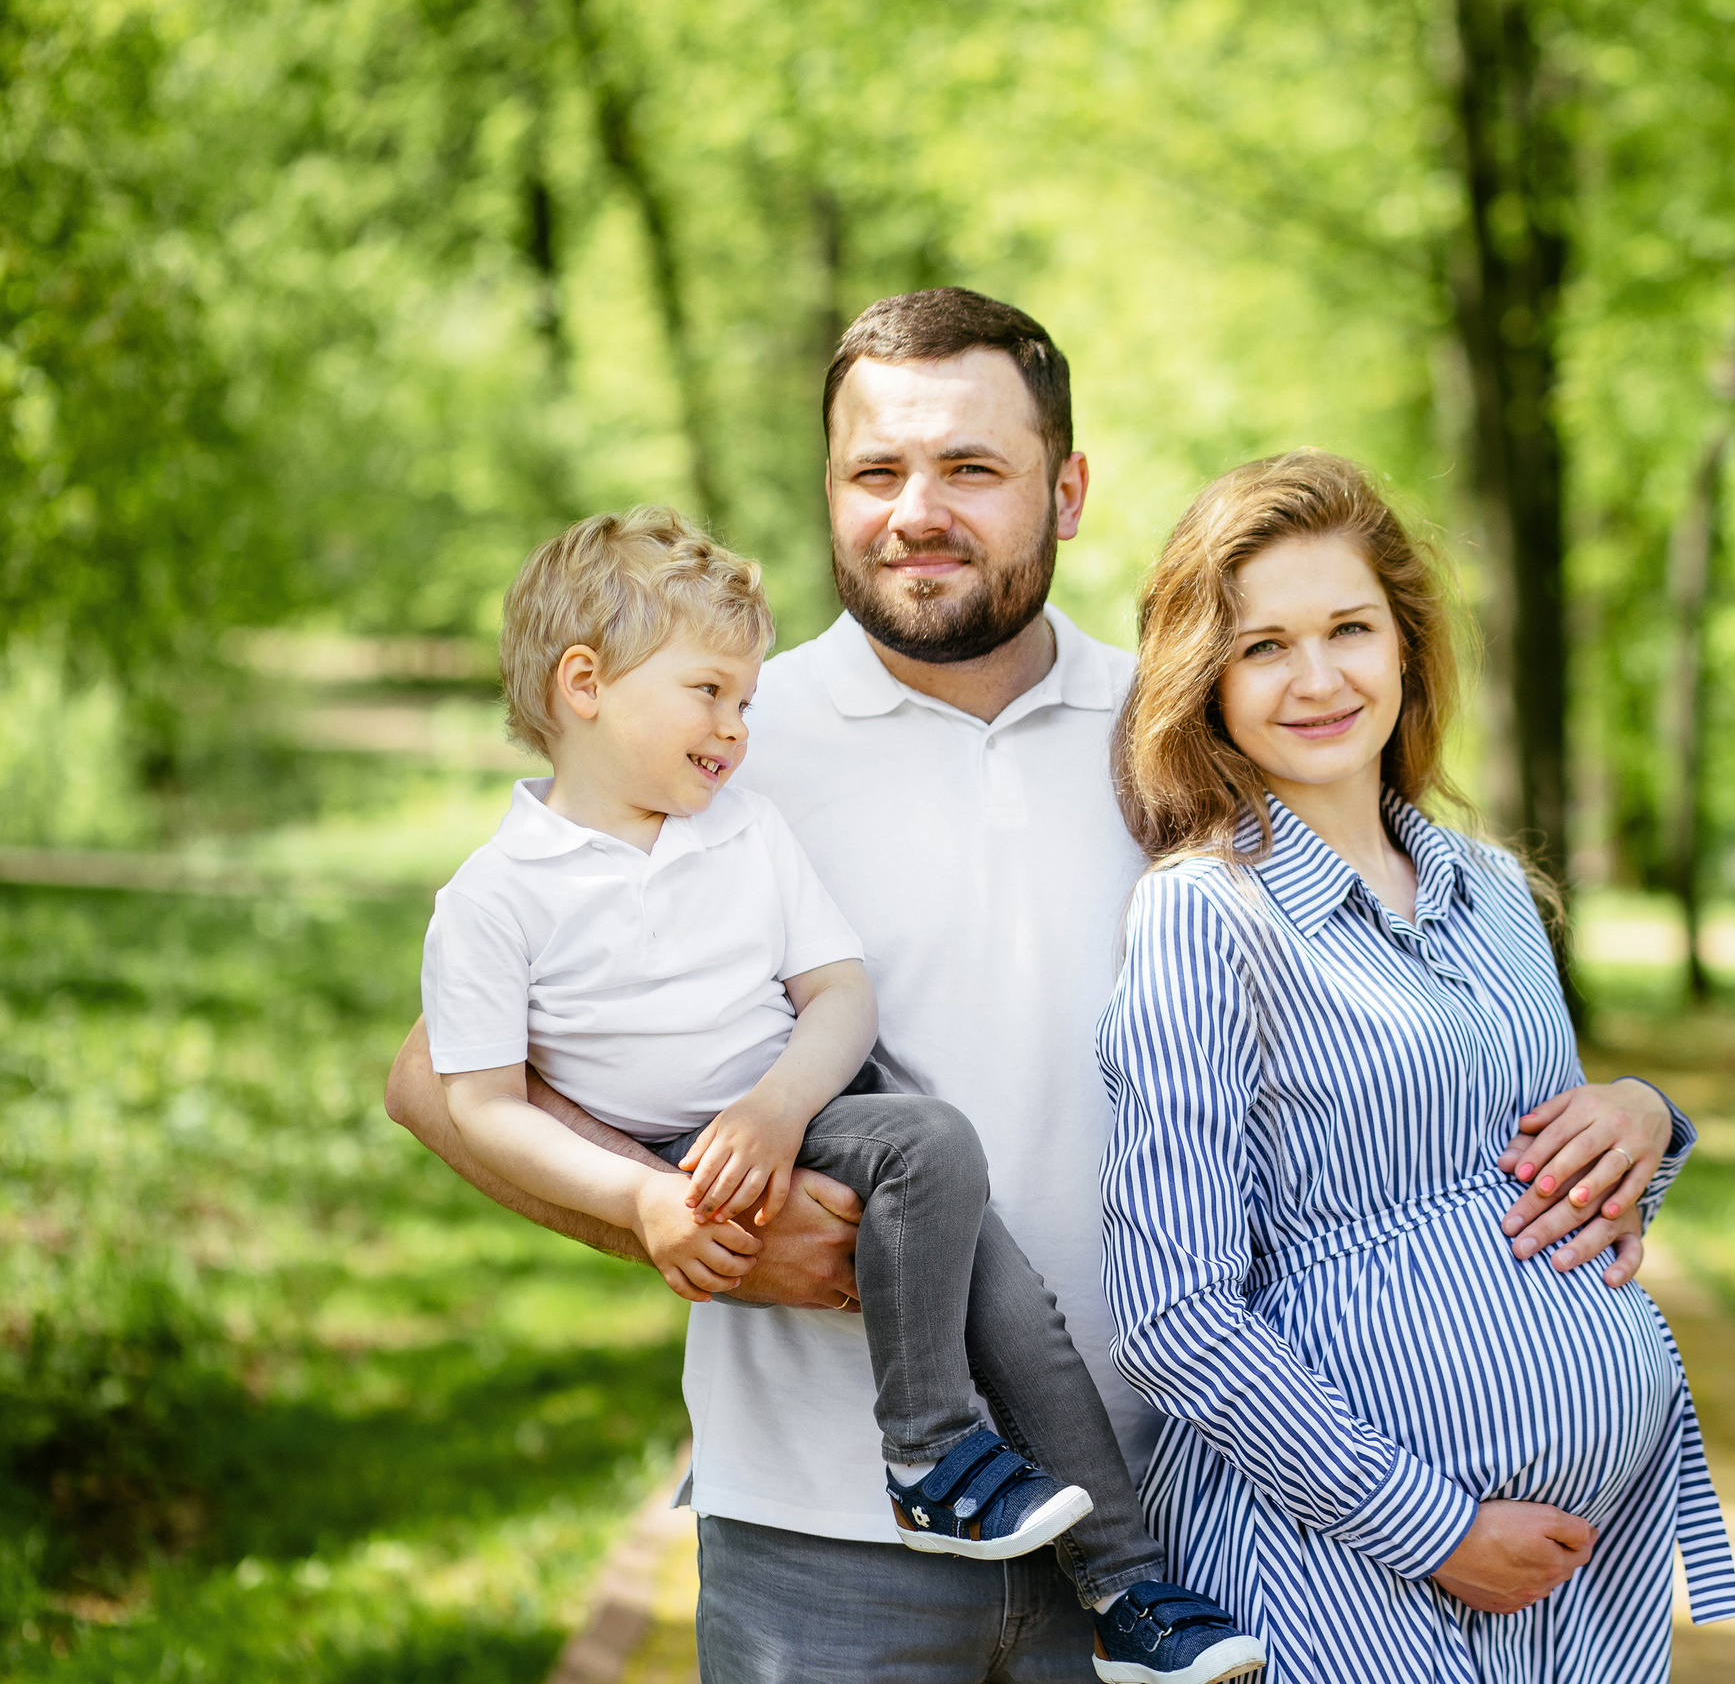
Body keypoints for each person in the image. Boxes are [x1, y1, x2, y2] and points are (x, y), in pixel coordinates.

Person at [384, 289, 1658, 1682]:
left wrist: (1640, 1111)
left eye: (971, 470)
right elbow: (440, 1077)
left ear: (1067, 489)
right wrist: (671, 1219)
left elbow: (1401, 982)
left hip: (1162, 1525)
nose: (914, 510)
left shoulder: (1184, 733)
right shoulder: (718, 737)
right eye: (875, 471)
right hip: (822, 1525)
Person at [415, 505, 1264, 1684]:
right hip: (684, 1178)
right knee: (953, 1191)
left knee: (1021, 1316)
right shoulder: (496, 896)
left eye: (745, 702)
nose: (735, 729)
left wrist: (773, 1108)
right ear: (584, 683)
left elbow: (838, 999)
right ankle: (931, 1448)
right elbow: (473, 1100)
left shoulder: (742, 831)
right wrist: (643, 1204)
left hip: (812, 1103)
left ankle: (1124, 1589)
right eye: (709, 693)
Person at [1097, 450, 1735, 1683]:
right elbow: (1173, 1317)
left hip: (1578, 1578)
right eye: (1263, 647)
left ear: (1406, 645)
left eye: (1350, 627)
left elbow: (1539, 1178)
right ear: (1206, 682)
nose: (1320, 677)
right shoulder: (1205, 917)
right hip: (1337, 1565)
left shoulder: (1493, 889)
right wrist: (1435, 1530)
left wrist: (1645, 1120)